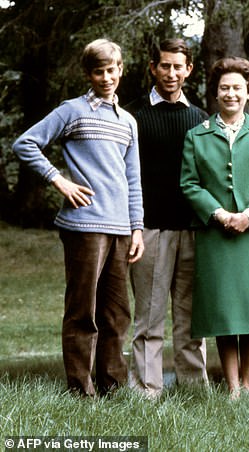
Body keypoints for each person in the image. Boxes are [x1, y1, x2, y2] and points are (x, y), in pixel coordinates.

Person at [12, 39, 144, 397]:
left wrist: (137, 228)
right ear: (89, 74)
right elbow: (25, 143)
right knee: (82, 312)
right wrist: (59, 180)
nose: (106, 77)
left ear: (121, 70)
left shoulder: (128, 122)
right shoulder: (72, 111)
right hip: (84, 226)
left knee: (116, 314)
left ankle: (113, 389)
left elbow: (133, 179)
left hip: (120, 228)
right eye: (98, 71)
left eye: (111, 70)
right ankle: (80, 391)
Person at [180, 56, 249, 399]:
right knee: (224, 312)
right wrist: (221, 215)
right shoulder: (197, 135)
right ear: (215, 92)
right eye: (224, 87)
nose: (231, 94)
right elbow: (190, 184)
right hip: (215, 234)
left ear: (248, 92)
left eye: (237, 87)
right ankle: (233, 387)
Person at [125, 38, 208, 398]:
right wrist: (135, 227)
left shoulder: (202, 120)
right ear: (152, 68)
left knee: (192, 320)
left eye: (179, 66)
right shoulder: (133, 117)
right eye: (165, 66)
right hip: (151, 231)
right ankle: (147, 391)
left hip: (194, 231)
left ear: (189, 70)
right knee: (149, 318)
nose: (171, 73)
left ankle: (194, 391)